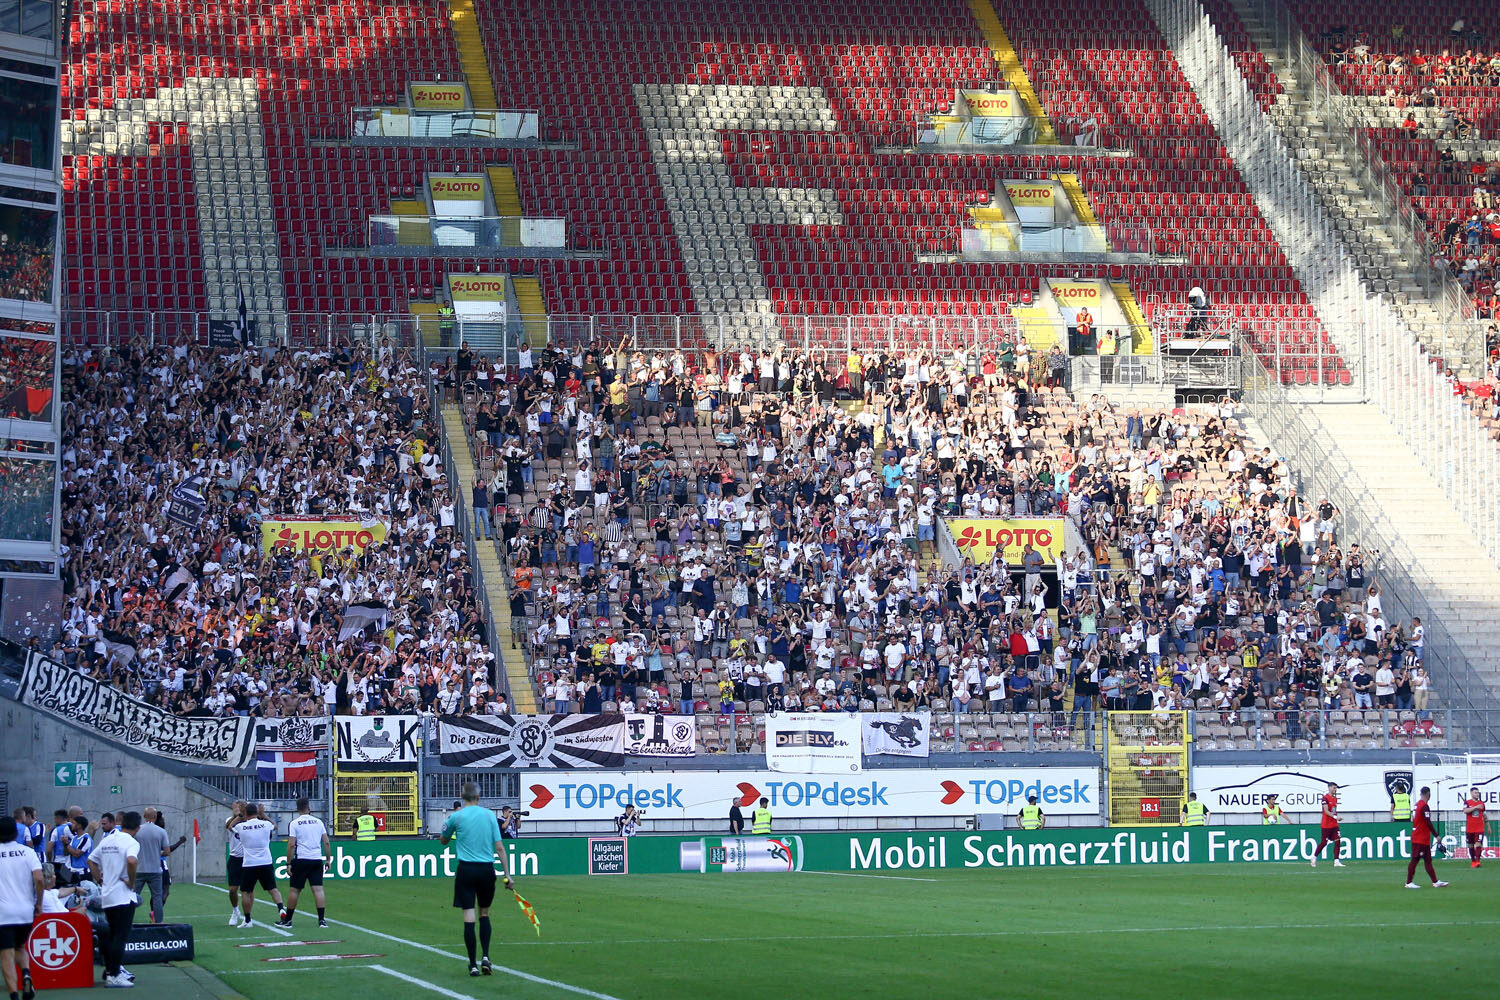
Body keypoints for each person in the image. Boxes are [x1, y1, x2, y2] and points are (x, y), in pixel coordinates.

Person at [439, 783, 514, 978]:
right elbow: (499, 848)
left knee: (469, 916)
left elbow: (443, 839)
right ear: (479, 797)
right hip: (486, 870)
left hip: (466, 869)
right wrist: (507, 875)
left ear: (462, 797)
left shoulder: (457, 816)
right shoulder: (489, 816)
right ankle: (486, 956)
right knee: (485, 913)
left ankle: (473, 964)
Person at [87, 810, 141, 989]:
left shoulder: (108, 839)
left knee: (112, 934)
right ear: (137, 828)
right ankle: (114, 974)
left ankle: (111, 970)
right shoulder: (131, 842)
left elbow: (91, 860)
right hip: (123, 896)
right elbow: (132, 862)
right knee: (120, 936)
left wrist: (100, 880)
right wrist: (131, 882)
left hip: (107, 894)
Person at [0, 815, 41, 1000]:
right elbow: (39, 879)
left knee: (6, 954)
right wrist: (38, 903)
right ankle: (26, 973)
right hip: (25, 911)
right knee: (20, 947)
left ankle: (14, 995)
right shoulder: (27, 852)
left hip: (3, 912)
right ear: (16, 832)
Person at [282, 798, 330, 928]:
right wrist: (328, 859)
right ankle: (321, 920)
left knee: (294, 890)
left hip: (302, 859)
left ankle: (288, 920)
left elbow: (291, 844)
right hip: (316, 860)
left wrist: (288, 863)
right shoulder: (318, 822)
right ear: (308, 807)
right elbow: (326, 841)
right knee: (318, 890)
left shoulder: (295, 823)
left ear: (297, 809)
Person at [235, 804, 286, 929]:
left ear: (246, 814)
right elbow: (275, 825)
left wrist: (240, 815)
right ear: (257, 813)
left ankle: (247, 920)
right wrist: (264, 815)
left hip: (250, 864)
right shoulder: (265, 824)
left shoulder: (241, 826)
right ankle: (280, 908)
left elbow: (230, 826)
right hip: (265, 862)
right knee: (273, 889)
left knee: (246, 892)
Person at [1405, 787, 1449, 889]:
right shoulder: (1424, 806)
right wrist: (1436, 835)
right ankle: (1408, 882)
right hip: (1420, 838)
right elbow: (1428, 822)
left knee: (1427, 860)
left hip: (1421, 837)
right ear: (1428, 794)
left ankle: (1435, 881)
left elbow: (1415, 819)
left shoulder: (1417, 805)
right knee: (1415, 860)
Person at [131, 808, 169, 925]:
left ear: (144, 816)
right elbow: (167, 851)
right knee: (157, 897)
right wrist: (158, 853)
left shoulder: (137, 830)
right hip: (155, 870)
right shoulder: (161, 831)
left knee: (132, 896)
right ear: (155, 817)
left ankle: (126, 920)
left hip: (139, 869)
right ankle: (159, 921)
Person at [1311, 782, 1345, 868]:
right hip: (1326, 825)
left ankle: (1336, 861)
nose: (1335, 789)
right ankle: (1314, 857)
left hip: (1334, 825)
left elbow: (1333, 810)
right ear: (1329, 788)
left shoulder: (1335, 799)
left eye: (1336, 788)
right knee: (1324, 843)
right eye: (1334, 788)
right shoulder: (1325, 798)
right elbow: (1326, 811)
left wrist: (1335, 817)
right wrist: (1335, 817)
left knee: (1338, 841)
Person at [225, 800, 247, 926]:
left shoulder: (249, 821)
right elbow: (228, 825)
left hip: (247, 858)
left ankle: (247, 915)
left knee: (247, 889)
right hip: (234, 858)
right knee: (233, 889)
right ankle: (235, 910)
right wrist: (236, 816)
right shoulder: (231, 820)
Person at [1464, 787, 1487, 868]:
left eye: (1478, 792)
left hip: (1479, 828)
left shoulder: (1482, 804)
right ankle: (1473, 861)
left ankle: (1477, 861)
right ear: (1471, 793)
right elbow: (1465, 811)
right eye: (1475, 793)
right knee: (1471, 845)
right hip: (1470, 828)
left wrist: (1488, 825)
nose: (1477, 794)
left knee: (1478, 844)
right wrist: (1475, 807)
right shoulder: (1467, 802)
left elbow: (1484, 815)